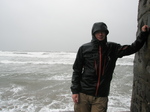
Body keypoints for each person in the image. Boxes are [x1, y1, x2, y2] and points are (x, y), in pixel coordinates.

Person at [70, 22, 149, 112]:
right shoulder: (84, 48)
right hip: (83, 94)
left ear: (106, 33)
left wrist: (143, 34)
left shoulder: (113, 48)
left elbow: (132, 48)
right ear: (93, 33)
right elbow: (77, 70)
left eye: (103, 32)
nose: (100, 34)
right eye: (98, 32)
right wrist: (75, 91)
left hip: (101, 96)